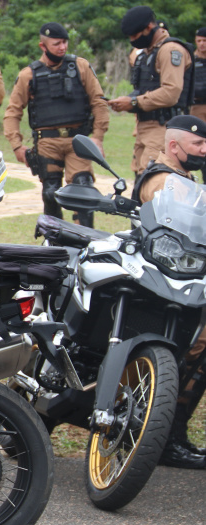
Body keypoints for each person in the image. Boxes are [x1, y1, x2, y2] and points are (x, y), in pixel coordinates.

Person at [132, 115, 206, 469]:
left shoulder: (186, 178)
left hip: (180, 279)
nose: (204, 150)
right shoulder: (164, 180)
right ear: (174, 146)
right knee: (195, 349)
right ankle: (168, 438)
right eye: (199, 145)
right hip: (165, 287)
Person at [3, 22, 109, 228]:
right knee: (50, 193)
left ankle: (85, 241)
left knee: (83, 191)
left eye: (65, 42)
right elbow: (13, 112)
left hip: (78, 140)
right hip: (48, 142)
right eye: (56, 43)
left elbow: (99, 101)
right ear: (42, 46)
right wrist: (16, 145)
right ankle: (55, 245)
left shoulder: (80, 66)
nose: (62, 47)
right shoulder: (29, 74)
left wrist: (98, 136)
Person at [109, 6, 193, 176]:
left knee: (154, 182)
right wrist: (127, 101)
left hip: (163, 126)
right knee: (141, 182)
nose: (133, 40)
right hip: (145, 127)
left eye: (135, 36)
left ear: (149, 28)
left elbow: (171, 93)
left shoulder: (170, 50)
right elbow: (146, 89)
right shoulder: (148, 53)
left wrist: (134, 102)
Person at [192, 28, 206, 182]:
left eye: (205, 41)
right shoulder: (192, 60)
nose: (202, 44)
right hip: (197, 108)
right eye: (199, 40)